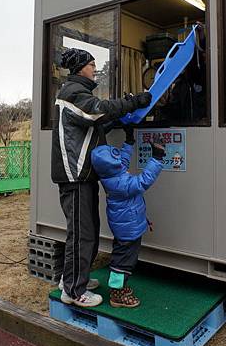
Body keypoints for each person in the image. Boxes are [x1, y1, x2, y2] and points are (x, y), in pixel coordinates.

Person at [51, 47, 152, 308]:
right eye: (91, 64)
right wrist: (134, 101)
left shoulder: (77, 93)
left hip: (82, 176)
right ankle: (74, 291)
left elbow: (94, 124)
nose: (95, 68)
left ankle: (73, 279)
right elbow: (98, 111)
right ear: (80, 67)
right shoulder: (73, 92)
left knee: (88, 231)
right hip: (75, 176)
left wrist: (118, 123)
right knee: (82, 234)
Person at [91, 126, 165, 307]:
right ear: (113, 165)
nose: (119, 158)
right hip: (128, 230)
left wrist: (129, 140)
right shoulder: (120, 183)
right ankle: (116, 294)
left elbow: (122, 160)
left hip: (127, 226)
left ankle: (120, 287)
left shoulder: (111, 175)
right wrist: (156, 158)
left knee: (123, 258)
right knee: (123, 263)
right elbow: (143, 181)